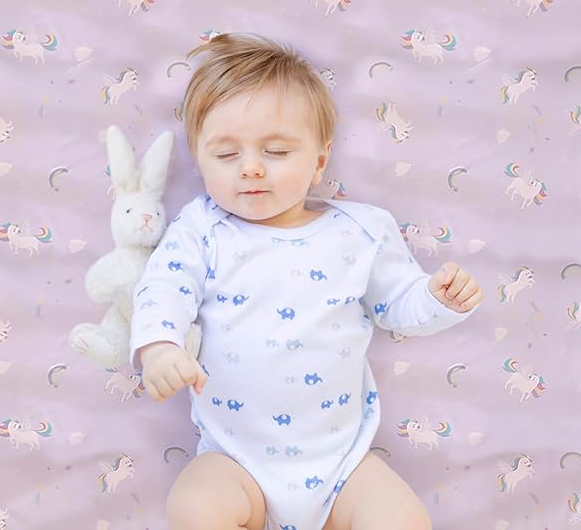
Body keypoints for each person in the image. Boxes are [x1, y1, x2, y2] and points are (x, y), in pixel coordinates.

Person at [130, 32, 483, 530]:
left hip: (342, 466)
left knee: (404, 520)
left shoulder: (360, 230)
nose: (251, 168)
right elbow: (163, 289)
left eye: (276, 151)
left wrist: (437, 297)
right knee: (194, 508)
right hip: (235, 461)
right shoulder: (202, 228)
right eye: (226, 155)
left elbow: (398, 302)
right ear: (200, 161)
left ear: (319, 161)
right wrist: (159, 347)